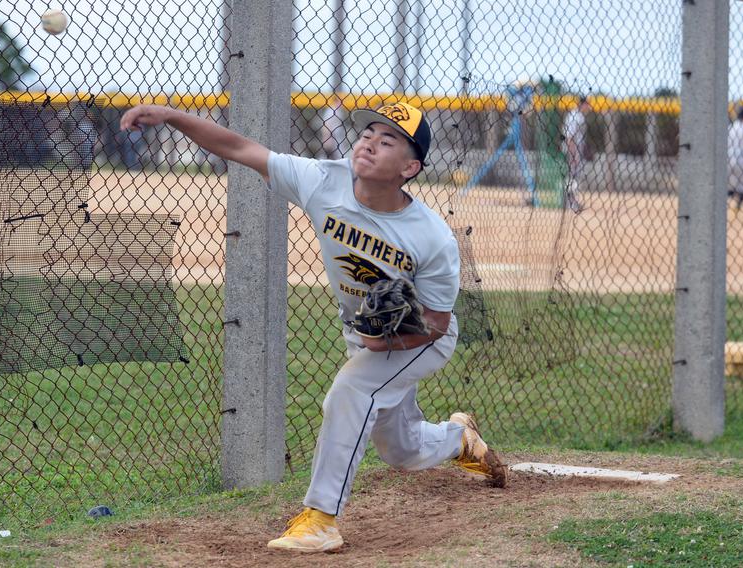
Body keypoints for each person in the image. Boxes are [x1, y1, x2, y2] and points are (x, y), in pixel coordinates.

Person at [120, 101, 508, 553]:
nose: (369, 143)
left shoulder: (431, 237)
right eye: (368, 134)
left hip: (420, 338)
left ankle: (322, 519)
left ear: (410, 166)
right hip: (367, 333)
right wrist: (171, 116)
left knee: (350, 393)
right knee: (399, 450)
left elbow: (438, 322)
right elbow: (239, 148)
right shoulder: (324, 179)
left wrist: (385, 338)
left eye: (388, 141)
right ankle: (458, 438)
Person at [562, 95, 592, 213]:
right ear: (582, 104)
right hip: (572, 150)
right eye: (587, 105)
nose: (588, 107)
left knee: (574, 176)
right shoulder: (575, 116)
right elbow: (569, 136)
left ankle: (572, 203)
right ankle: (571, 203)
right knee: (572, 176)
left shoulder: (577, 115)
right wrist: (573, 153)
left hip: (575, 149)